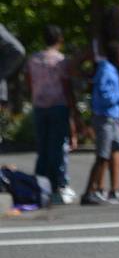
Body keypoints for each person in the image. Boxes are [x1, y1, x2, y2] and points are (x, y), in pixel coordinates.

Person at [82, 41, 119, 204]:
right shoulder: (106, 71)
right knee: (102, 156)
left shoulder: (112, 71)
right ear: (116, 56)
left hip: (112, 120)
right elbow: (106, 97)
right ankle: (89, 192)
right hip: (105, 119)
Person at [25, 25, 77, 204]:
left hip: (40, 105)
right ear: (60, 40)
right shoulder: (61, 61)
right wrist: (74, 110)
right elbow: (66, 86)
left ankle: (40, 182)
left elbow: (29, 82)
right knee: (57, 147)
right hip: (58, 105)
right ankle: (58, 185)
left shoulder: (33, 60)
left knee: (43, 147)